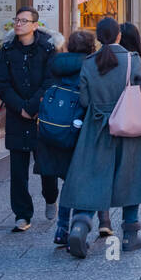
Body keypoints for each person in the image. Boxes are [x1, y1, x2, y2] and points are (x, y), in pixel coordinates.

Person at [62, 17, 141, 258]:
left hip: (96, 127)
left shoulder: (89, 62)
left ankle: (81, 224)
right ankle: (129, 235)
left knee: (92, 177)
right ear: (118, 36)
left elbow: (83, 99)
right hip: (126, 125)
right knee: (131, 178)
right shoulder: (131, 59)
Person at [0, 7, 58, 232]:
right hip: (16, 116)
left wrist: (32, 106)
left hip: (41, 116)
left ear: (34, 25)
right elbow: (1, 83)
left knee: (46, 165)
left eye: (24, 20)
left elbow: (50, 81)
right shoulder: (8, 50)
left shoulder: (47, 49)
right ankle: (22, 214)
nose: (18, 24)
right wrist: (20, 107)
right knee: (18, 170)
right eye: (17, 20)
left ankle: (51, 197)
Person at [36, 29, 93, 246]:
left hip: (55, 127)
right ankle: (78, 226)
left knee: (68, 181)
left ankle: (61, 229)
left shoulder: (57, 63)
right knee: (79, 182)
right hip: (78, 129)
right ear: (90, 48)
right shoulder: (90, 65)